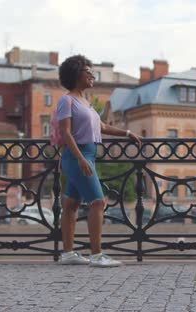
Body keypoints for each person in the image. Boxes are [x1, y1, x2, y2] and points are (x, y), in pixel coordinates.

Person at [56, 55, 142, 267]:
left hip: (88, 155)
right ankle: (96, 255)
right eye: (88, 72)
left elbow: (102, 127)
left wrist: (127, 133)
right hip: (77, 156)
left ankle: (67, 253)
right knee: (98, 202)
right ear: (76, 75)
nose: (92, 76)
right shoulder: (66, 100)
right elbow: (66, 134)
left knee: (71, 204)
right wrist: (80, 159)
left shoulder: (86, 102)